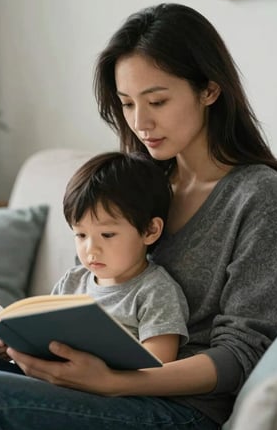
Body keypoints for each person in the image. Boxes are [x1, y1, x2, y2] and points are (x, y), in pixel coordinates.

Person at [0, 3, 277, 430]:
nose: (141, 123)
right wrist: (14, 340)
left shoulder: (259, 194)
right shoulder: (137, 181)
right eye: (127, 104)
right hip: (96, 376)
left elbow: (243, 350)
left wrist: (114, 383)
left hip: (182, 407)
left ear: (209, 90)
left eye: (158, 101)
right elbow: (88, 288)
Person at [56, 150, 189, 363]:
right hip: (53, 377)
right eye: (80, 235)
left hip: (109, 392)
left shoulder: (155, 291)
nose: (91, 249)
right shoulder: (71, 282)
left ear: (149, 231)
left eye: (107, 235)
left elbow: (157, 365)